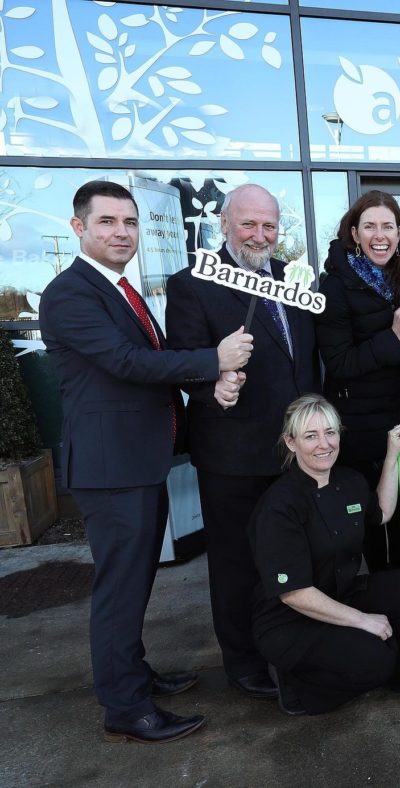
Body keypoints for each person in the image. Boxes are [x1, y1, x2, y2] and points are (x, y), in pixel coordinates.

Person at [39, 180, 253, 743]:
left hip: (139, 462)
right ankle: (126, 708)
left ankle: (134, 675)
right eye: (106, 221)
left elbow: (146, 362)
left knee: (134, 585)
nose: (121, 232)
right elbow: (126, 362)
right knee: (120, 591)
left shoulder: (122, 290)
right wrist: (214, 360)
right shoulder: (71, 293)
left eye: (129, 222)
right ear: (78, 227)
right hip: (112, 470)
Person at [166, 183, 321, 701]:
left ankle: (290, 646)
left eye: (270, 226)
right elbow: (185, 363)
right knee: (235, 564)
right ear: (225, 224)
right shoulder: (191, 284)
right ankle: (243, 660)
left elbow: (303, 359)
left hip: (293, 454)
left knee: (290, 558)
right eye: (249, 224)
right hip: (233, 455)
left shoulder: (291, 281)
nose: (260, 235)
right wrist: (212, 383)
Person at [248, 394, 400, 716]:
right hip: (289, 621)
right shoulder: (279, 505)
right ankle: (297, 688)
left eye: (330, 432)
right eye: (311, 436)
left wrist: (392, 457)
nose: (324, 444)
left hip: (340, 595)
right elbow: (294, 594)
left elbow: (382, 513)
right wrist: (363, 621)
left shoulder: (349, 480)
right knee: (376, 661)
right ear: (291, 443)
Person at [316, 190, 400, 570]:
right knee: (377, 530)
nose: (380, 235)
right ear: (355, 234)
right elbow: (340, 362)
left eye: (388, 226)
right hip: (363, 430)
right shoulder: (334, 287)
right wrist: (392, 336)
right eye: (370, 226)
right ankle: (384, 612)